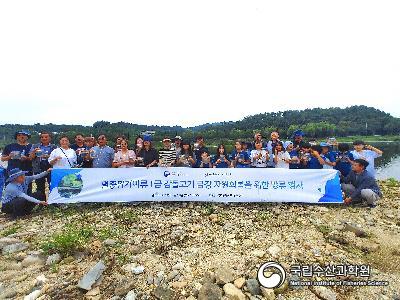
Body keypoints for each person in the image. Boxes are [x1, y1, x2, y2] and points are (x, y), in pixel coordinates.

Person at [29, 131, 56, 196]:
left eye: (46, 137)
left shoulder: (54, 147)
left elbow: (57, 158)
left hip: (51, 168)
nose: (44, 138)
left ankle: (53, 203)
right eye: (42, 137)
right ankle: (41, 203)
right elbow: (30, 158)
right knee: (39, 187)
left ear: (50, 138)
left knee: (52, 186)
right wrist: (34, 152)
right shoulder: (35, 146)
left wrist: (48, 156)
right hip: (38, 168)